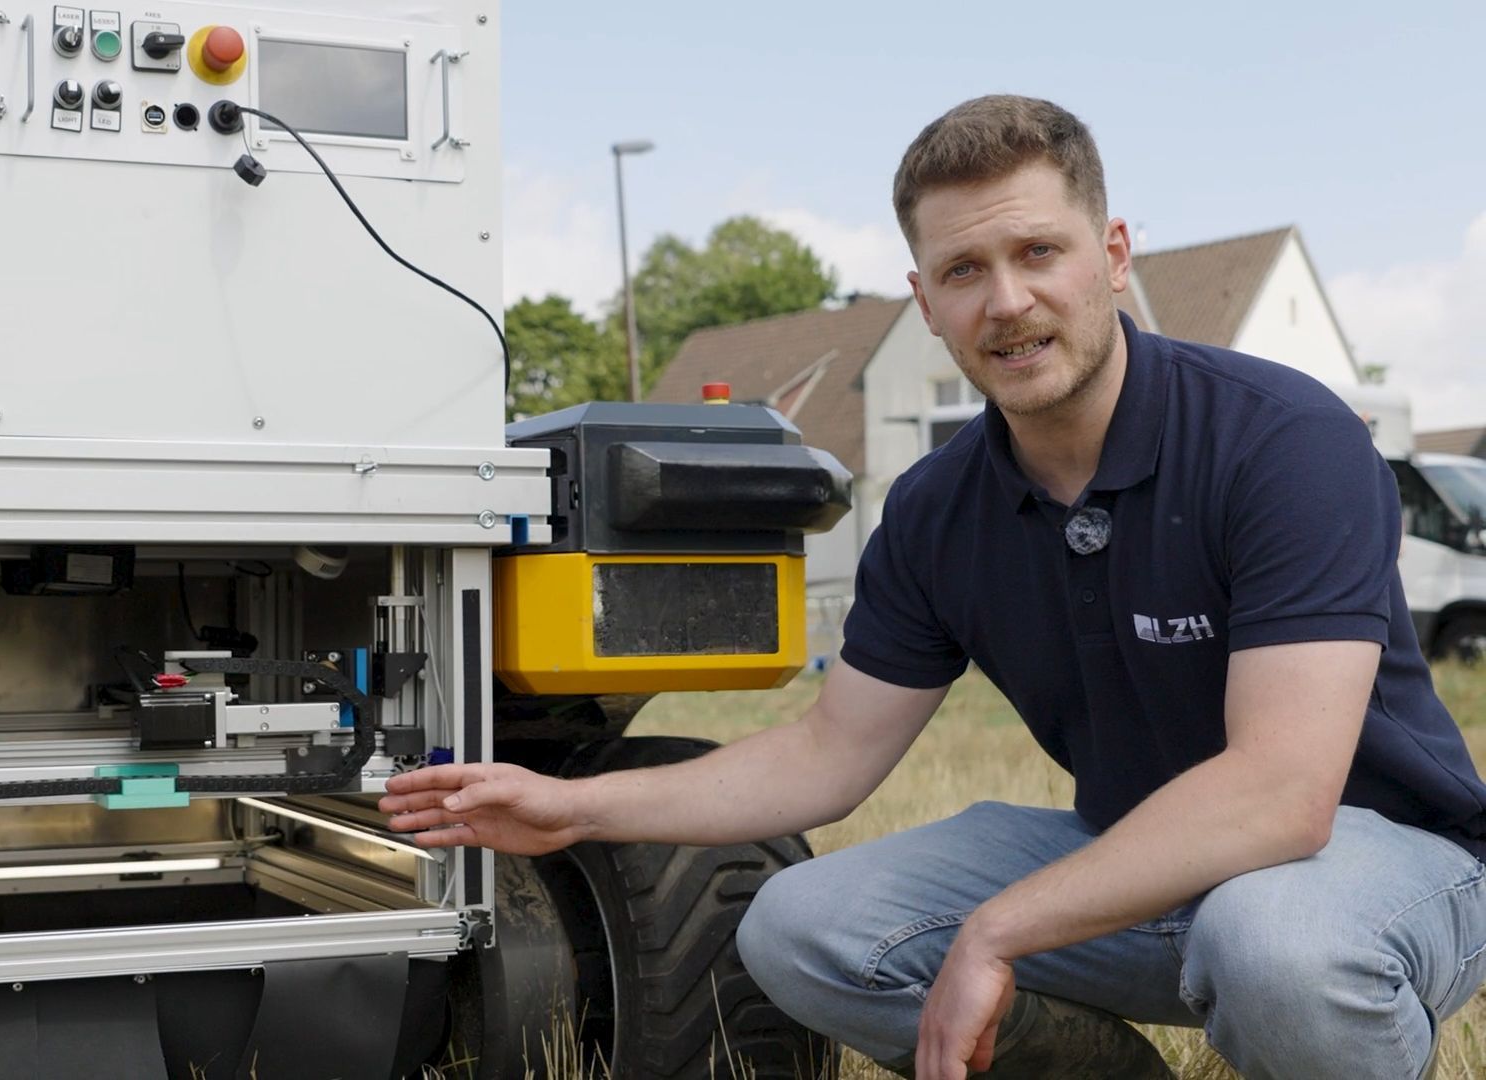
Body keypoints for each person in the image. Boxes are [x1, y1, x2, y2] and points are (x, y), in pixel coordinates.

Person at [381, 95, 1486, 1080]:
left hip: (1370, 862)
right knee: (800, 925)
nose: (1006, 302)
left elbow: (1278, 797)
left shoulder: (1279, 440)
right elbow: (828, 755)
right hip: (1146, 864)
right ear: (924, 299)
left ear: (1112, 253)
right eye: (965, 272)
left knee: (1275, 946)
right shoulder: (936, 508)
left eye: (1039, 252)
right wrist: (574, 806)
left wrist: (998, 931)